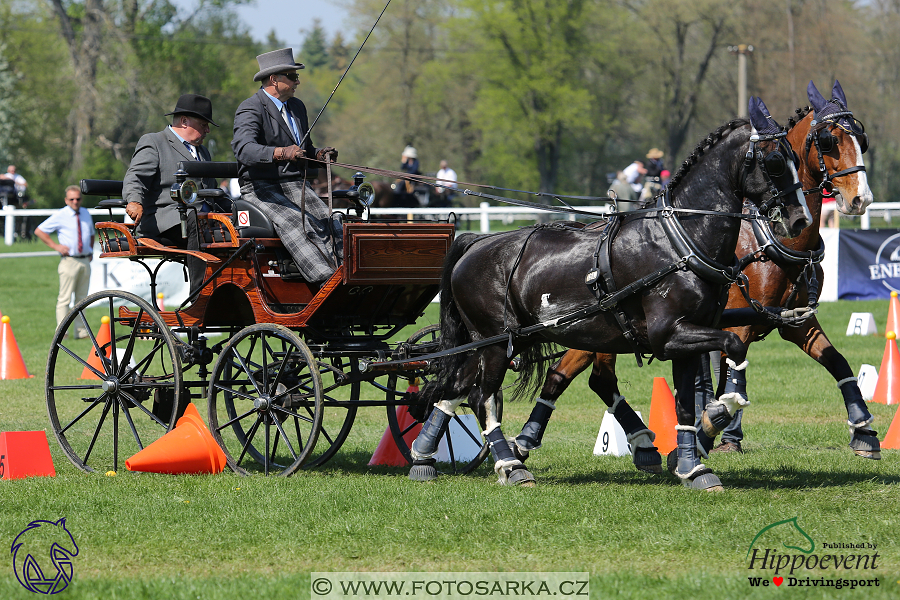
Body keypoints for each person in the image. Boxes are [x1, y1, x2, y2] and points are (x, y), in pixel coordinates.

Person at [232, 47, 341, 284]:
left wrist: (319, 155)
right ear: (274, 79)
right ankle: (324, 280)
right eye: (292, 76)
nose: (297, 82)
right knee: (296, 224)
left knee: (331, 221)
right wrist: (281, 153)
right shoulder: (251, 108)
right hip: (261, 188)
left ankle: (346, 272)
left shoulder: (297, 107)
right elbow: (243, 149)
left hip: (294, 185)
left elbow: (304, 147)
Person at [123, 94, 218, 295]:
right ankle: (200, 295)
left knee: (241, 227)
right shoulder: (155, 142)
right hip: (167, 220)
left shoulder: (203, 152)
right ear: (184, 121)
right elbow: (135, 177)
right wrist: (133, 201)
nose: (207, 130)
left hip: (202, 219)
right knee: (194, 219)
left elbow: (212, 190)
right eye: (203, 124)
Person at [34, 186, 94, 337]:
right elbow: (40, 231)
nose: (75, 202)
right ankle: (62, 331)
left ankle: (81, 331)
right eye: (72, 199)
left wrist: (91, 250)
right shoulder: (61, 215)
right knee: (65, 298)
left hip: (84, 260)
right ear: (66, 200)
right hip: (69, 261)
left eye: (78, 199)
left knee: (83, 299)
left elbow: (91, 233)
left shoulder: (86, 213)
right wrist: (56, 246)